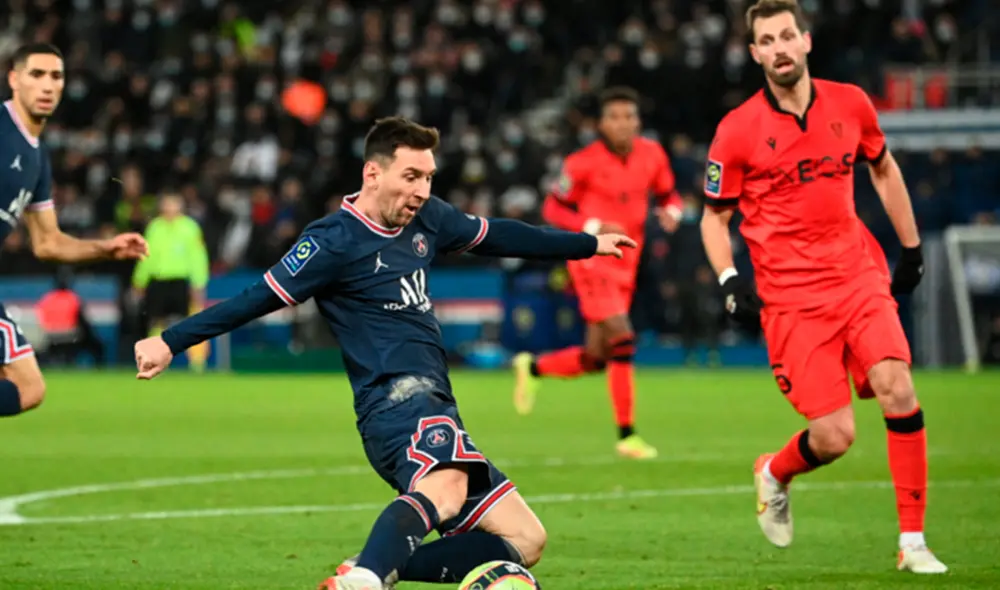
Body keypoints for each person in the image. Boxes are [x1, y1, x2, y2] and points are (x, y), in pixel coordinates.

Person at [132, 117, 635, 590]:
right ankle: (368, 579)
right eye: (411, 176)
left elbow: (499, 234)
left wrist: (586, 244)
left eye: (429, 178)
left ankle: (371, 567)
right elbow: (256, 297)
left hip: (434, 399)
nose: (421, 190)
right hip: (393, 402)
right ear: (373, 173)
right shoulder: (332, 240)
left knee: (526, 540)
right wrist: (170, 341)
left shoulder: (429, 219)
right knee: (446, 490)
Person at [700, 0, 946, 574]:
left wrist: (910, 248)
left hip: (857, 274)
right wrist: (729, 278)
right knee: (834, 437)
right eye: (768, 40)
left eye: (789, 35)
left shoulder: (851, 103)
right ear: (756, 52)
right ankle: (775, 472)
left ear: (806, 41)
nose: (780, 48)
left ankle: (913, 542)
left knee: (898, 388)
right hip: (790, 300)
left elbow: (882, 169)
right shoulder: (736, 131)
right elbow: (714, 217)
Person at [511, 86, 681, 459]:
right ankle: (627, 435)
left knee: (596, 357)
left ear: (638, 121)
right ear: (601, 124)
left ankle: (534, 367)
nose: (623, 124)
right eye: (615, 117)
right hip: (590, 259)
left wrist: (673, 211)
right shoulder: (581, 162)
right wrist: (590, 225)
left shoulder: (653, 155)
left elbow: (669, 195)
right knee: (623, 337)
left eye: (629, 116)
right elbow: (554, 209)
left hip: (628, 263)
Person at [0, 43, 148, 419]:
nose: (47, 85)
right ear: (14, 79)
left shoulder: (36, 157)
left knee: (28, 388)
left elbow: (48, 242)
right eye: (37, 74)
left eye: (56, 76)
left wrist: (106, 248)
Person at [131, 192, 211, 371]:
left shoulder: (190, 228)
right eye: (167, 204)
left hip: (182, 280)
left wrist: (198, 282)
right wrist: (139, 280)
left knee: (193, 321)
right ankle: (151, 360)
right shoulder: (155, 227)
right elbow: (146, 256)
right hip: (159, 280)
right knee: (156, 321)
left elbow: (197, 256)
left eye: (173, 204)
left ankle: (198, 363)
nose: (170, 208)